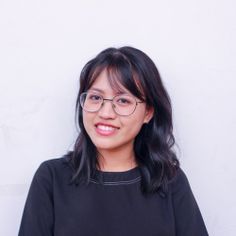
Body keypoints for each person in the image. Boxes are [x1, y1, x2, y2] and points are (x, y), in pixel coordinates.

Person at [18, 46, 208, 236]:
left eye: (123, 101)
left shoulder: (170, 181)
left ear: (148, 113)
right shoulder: (51, 178)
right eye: (95, 97)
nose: (105, 113)